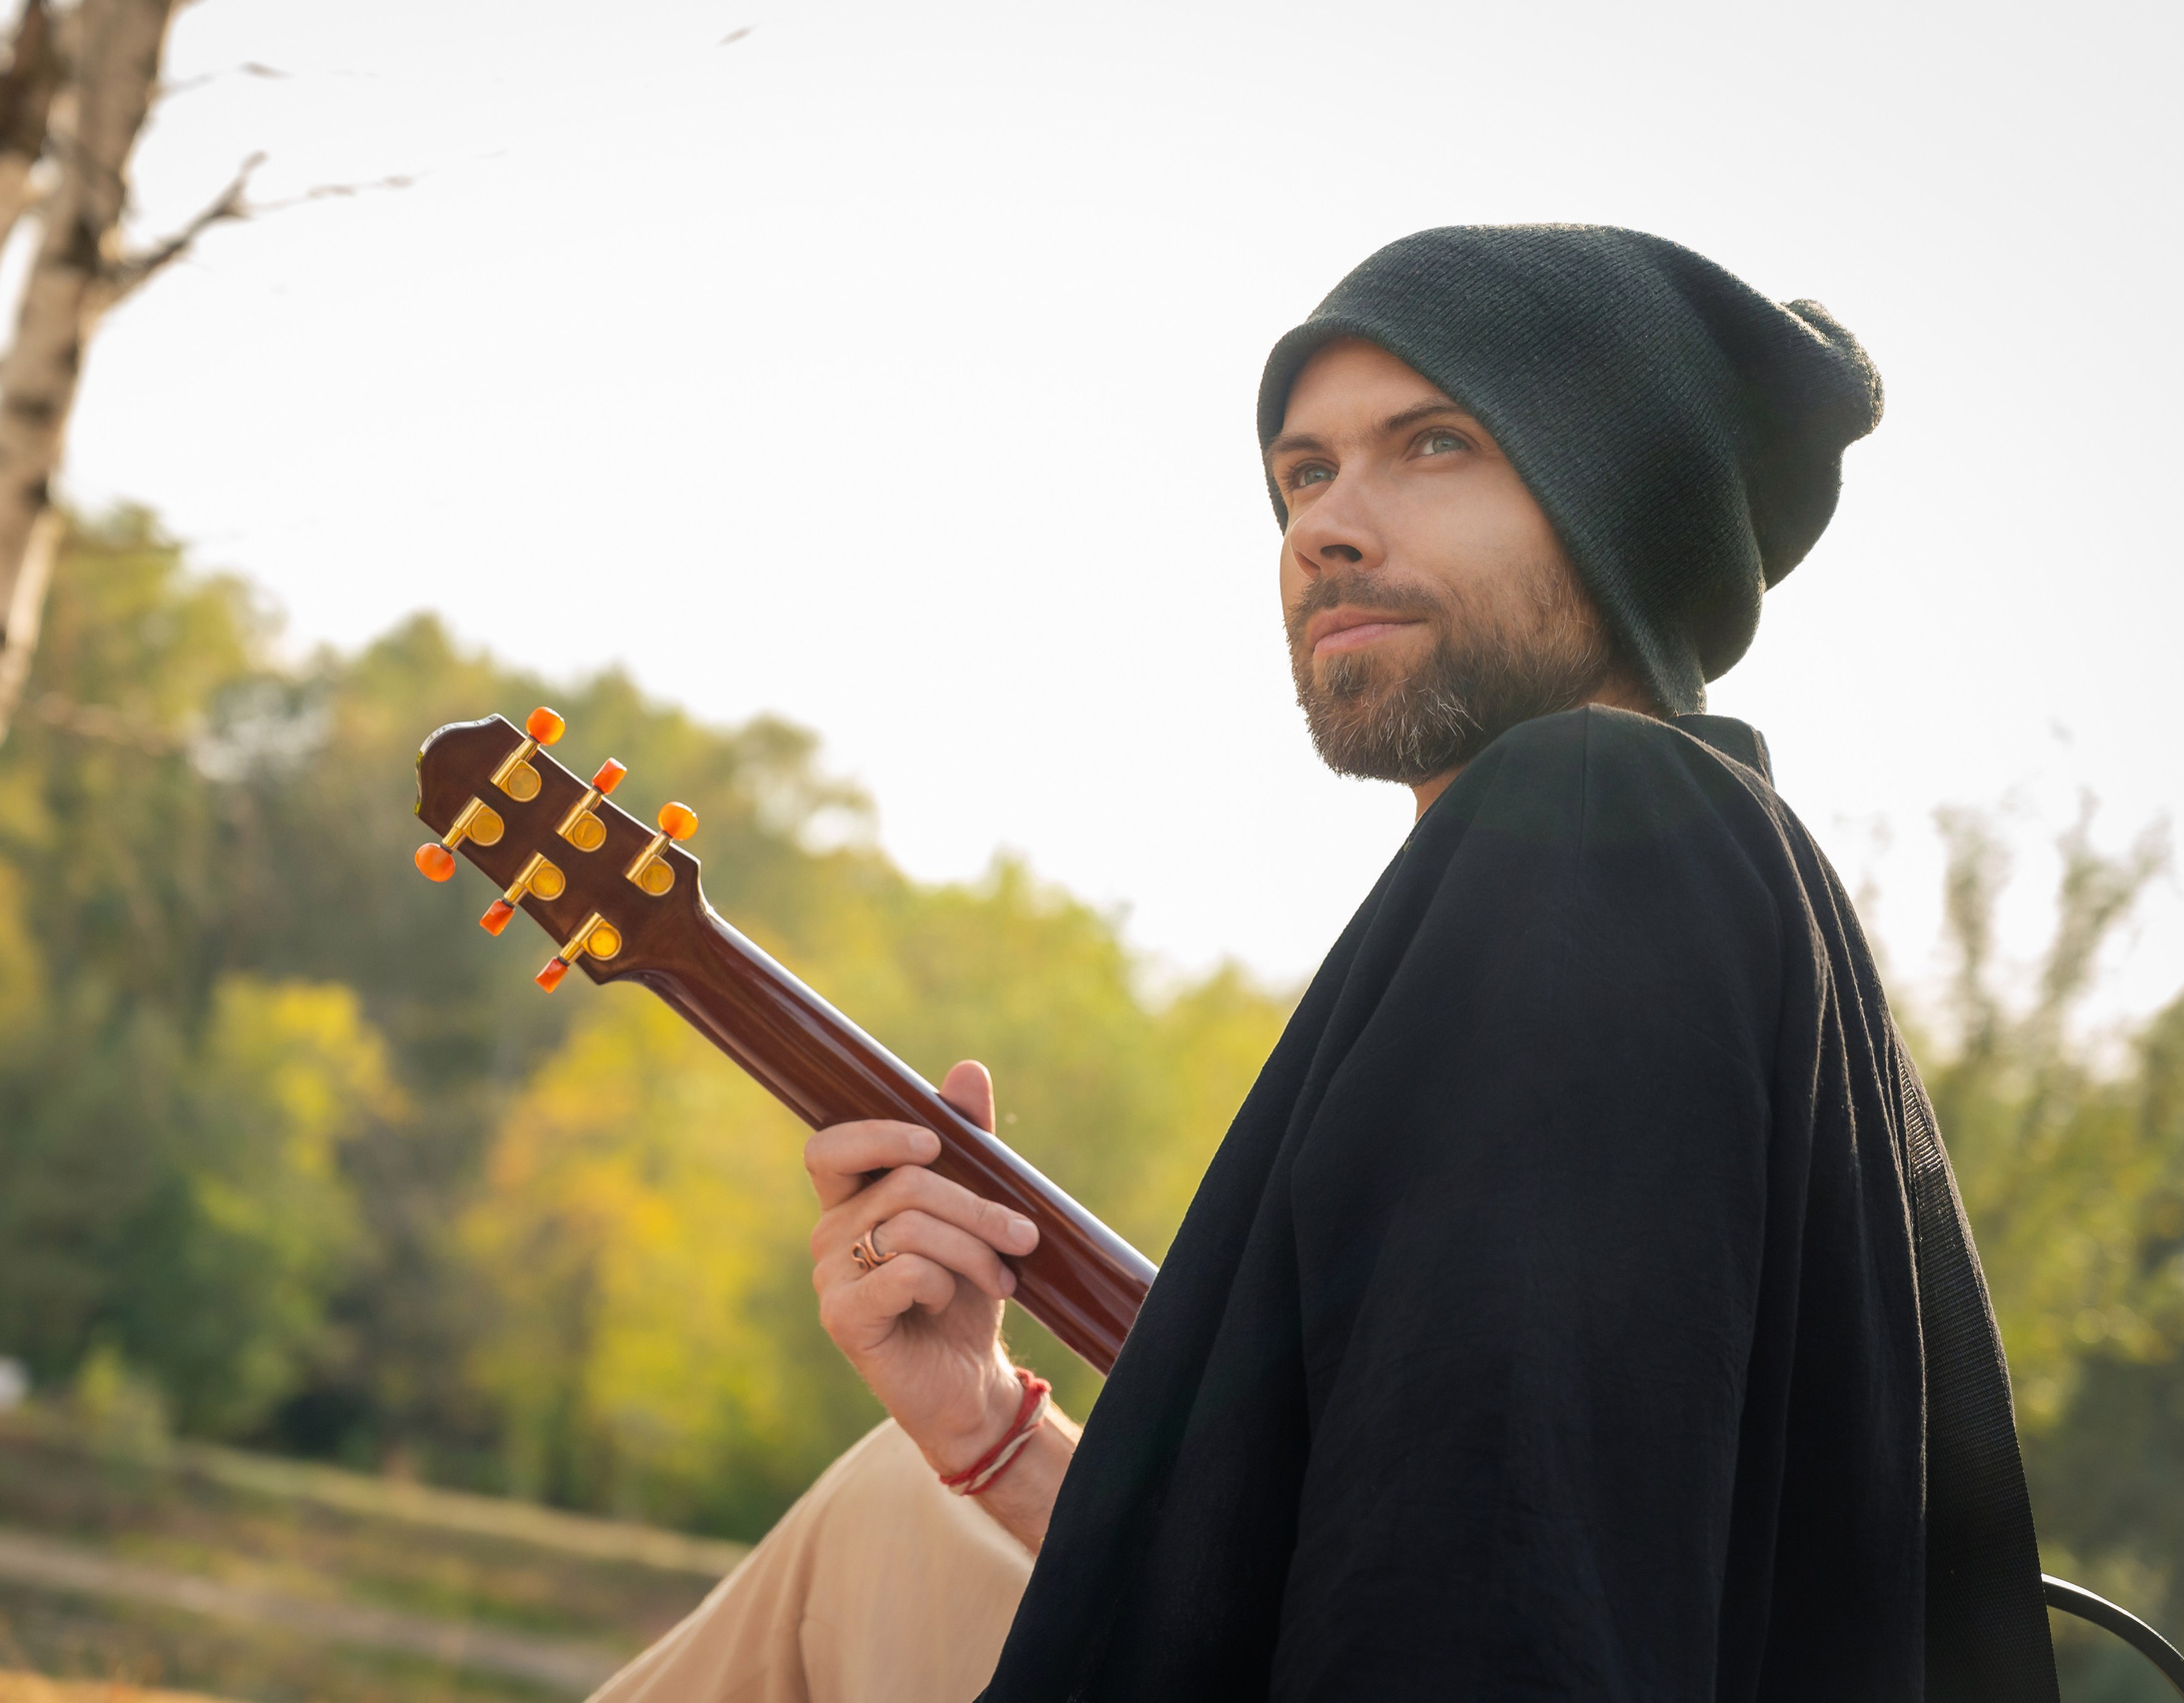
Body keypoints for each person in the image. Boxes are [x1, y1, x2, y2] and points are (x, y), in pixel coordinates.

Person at [590, 225, 2052, 1702]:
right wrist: (990, 1432)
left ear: (1622, 511)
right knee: (903, 1497)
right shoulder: (1666, 885)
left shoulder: (1602, 829)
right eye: (1304, 472)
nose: (1325, 527)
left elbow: (1496, 1608)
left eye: (1434, 445)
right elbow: (1390, 1549)